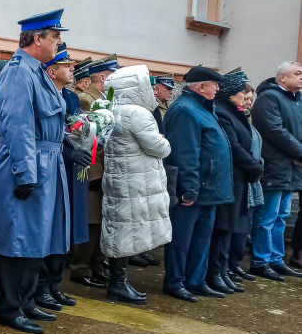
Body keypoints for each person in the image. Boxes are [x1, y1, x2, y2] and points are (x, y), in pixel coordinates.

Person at [0, 9, 69, 334]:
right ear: (38, 38)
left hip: (46, 162)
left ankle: (25, 301)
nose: (59, 44)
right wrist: (25, 172)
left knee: (37, 237)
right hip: (29, 162)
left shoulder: (36, 72)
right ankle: (10, 308)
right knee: (18, 237)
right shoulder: (18, 72)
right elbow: (17, 124)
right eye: (55, 38)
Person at [100, 65, 172, 305]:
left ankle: (117, 281)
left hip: (117, 179)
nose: (151, 90)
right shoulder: (137, 113)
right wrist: (165, 141)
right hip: (136, 181)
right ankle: (118, 284)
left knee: (118, 228)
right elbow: (160, 147)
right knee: (128, 231)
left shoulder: (109, 109)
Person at [163, 66, 233, 302]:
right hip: (194, 187)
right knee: (182, 239)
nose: (218, 88)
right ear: (201, 86)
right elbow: (185, 153)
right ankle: (175, 281)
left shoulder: (202, 107)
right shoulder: (185, 110)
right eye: (214, 84)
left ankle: (195, 280)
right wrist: (190, 187)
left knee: (202, 238)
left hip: (209, 187)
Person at [36, 44, 88, 311]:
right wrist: (71, 152)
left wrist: (87, 138)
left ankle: (55, 285)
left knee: (66, 229)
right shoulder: (42, 94)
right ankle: (41, 287)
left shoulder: (69, 97)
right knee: (51, 227)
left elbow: (75, 127)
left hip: (71, 170)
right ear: (52, 70)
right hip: (55, 167)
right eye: (67, 66)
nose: (72, 69)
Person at [209, 70, 263, 293]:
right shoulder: (223, 113)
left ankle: (222, 271)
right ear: (230, 93)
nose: (246, 95)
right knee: (222, 228)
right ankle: (215, 272)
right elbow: (234, 146)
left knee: (230, 229)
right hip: (230, 178)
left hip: (240, 179)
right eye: (243, 91)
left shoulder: (235, 112)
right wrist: (254, 166)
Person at [248, 61, 302, 280]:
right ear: (282, 78)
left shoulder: (298, 100)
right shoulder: (269, 98)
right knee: (267, 217)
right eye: (297, 73)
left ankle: (276, 259)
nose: (301, 77)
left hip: (291, 169)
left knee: (281, 216)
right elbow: (275, 131)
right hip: (274, 167)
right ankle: (260, 261)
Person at [71, 54, 119, 288]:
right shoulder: (86, 99)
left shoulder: (106, 98)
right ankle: (81, 267)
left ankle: (97, 263)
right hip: (91, 169)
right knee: (90, 219)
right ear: (103, 76)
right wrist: (93, 172)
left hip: (105, 169)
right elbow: (83, 138)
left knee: (101, 219)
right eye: (113, 73)